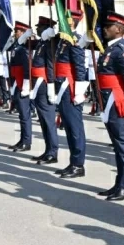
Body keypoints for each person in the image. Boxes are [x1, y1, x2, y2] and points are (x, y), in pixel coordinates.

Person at [91, 12, 124, 201]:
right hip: (108, 101)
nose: (104, 29)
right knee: (117, 145)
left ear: (119, 30)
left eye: (108, 26)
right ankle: (120, 182)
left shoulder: (123, 50)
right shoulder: (110, 48)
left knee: (123, 146)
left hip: (118, 102)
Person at [51, 9, 89, 178]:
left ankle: (78, 164)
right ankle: (74, 162)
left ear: (72, 22)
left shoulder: (75, 40)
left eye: (63, 20)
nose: (60, 23)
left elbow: (80, 67)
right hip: (62, 85)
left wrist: (79, 91)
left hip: (70, 87)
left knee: (75, 127)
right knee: (68, 126)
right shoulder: (63, 40)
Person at [27, 16, 60, 165]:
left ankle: (53, 152)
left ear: (47, 28)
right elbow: (23, 45)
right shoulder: (42, 42)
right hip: (38, 83)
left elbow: (50, 65)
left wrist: (51, 86)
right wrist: (24, 37)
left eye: (39, 27)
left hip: (45, 83)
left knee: (48, 120)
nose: (37, 29)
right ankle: (48, 150)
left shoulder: (50, 43)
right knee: (42, 120)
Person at [8, 22, 33, 152]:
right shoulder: (17, 46)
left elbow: (27, 67)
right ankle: (22, 139)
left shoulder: (24, 48)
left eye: (17, 31)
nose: (15, 33)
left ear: (23, 32)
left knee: (24, 114)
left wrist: (26, 85)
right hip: (16, 82)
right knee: (21, 114)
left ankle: (27, 141)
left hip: (22, 83)